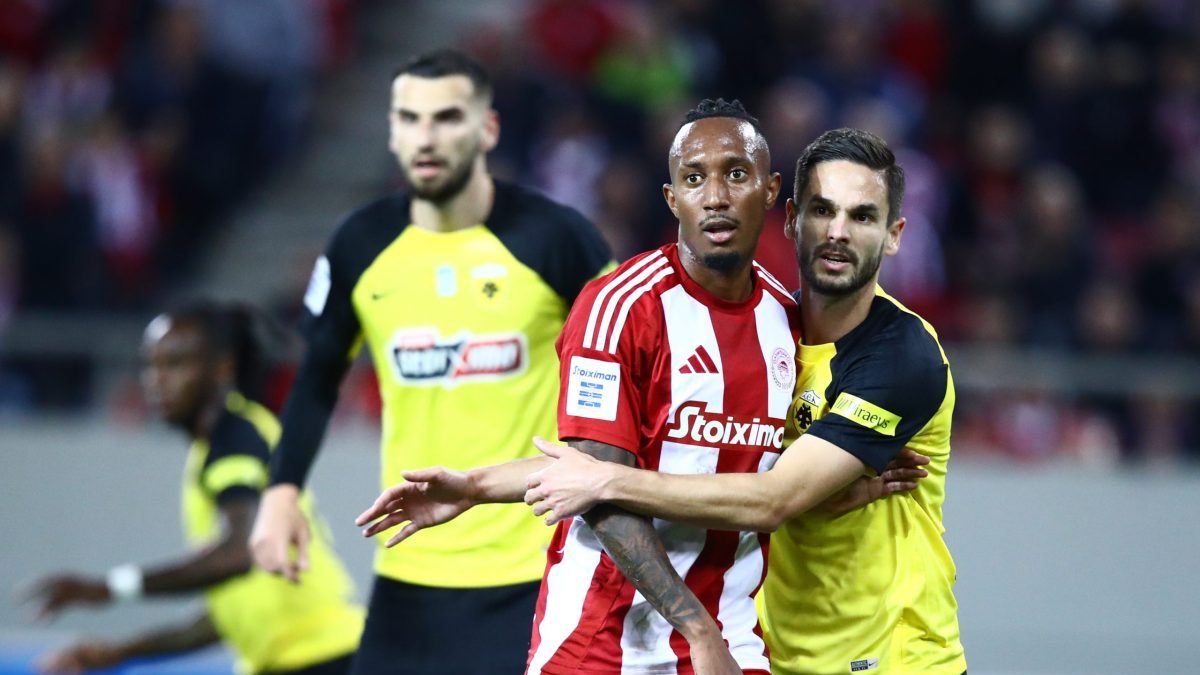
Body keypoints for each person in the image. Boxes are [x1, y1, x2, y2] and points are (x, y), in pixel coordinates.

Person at [358, 98, 870, 674]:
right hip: (599, 640)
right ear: (672, 199)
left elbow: (763, 470)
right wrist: (695, 629)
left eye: (735, 174)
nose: (715, 197)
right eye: (694, 179)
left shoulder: (788, 321)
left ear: (771, 190)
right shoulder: (618, 309)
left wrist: (849, 473)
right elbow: (597, 484)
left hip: (730, 638)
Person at [524, 128, 967, 675]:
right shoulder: (773, 329)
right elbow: (640, 459)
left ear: (894, 235)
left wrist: (608, 481)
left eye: (863, 217)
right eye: (822, 210)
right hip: (773, 650)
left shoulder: (901, 357)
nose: (838, 232)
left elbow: (772, 499)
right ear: (791, 219)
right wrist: (478, 485)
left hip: (890, 657)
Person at [248, 48, 614, 675]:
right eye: (409, 118)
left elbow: (630, 364)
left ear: (487, 128)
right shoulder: (360, 244)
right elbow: (317, 377)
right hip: (408, 574)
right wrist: (281, 494)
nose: (426, 137)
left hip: (539, 571)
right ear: (391, 131)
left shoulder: (557, 239)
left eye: (447, 117)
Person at [28, 301, 363, 675]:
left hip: (323, 660)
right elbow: (229, 617)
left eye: (175, 364)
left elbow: (237, 555)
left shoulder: (235, 439)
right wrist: (119, 652)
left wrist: (109, 588)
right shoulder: (225, 442)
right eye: (150, 365)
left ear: (222, 367)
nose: (157, 380)